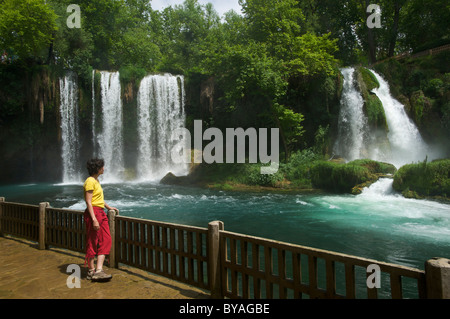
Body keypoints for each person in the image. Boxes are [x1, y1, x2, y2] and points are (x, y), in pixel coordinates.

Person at [83, 158, 119, 281]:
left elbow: (98, 199)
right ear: (97, 168)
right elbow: (89, 201)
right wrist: (94, 219)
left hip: (100, 212)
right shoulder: (90, 181)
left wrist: (108, 207)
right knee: (92, 241)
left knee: (106, 239)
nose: (104, 168)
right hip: (94, 213)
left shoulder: (96, 181)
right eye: (102, 167)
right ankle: (91, 270)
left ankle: (99, 269)